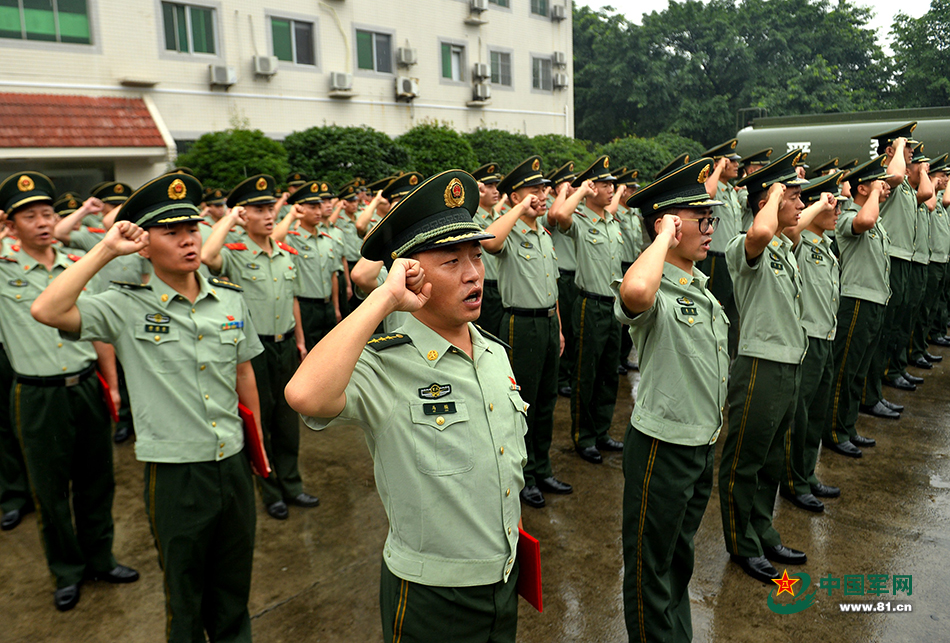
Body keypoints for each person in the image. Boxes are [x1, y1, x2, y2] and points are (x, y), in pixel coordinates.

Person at [286, 170, 527, 642]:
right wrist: (385, 298)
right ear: (410, 272)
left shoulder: (494, 352)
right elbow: (305, 395)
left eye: (476, 256)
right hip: (432, 593)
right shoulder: (388, 364)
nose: (473, 272)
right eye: (451, 260)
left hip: (502, 578)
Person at [32, 171, 263, 641]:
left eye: (191, 229)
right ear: (144, 245)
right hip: (177, 472)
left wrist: (259, 451)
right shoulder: (124, 306)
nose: (187, 241)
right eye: (170, 232)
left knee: (235, 588)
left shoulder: (230, 302)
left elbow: (244, 375)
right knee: (185, 592)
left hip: (232, 464)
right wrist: (105, 249)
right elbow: (47, 310)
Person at [0, 172, 138, 611]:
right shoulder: (2, 268)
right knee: (50, 491)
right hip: (37, 395)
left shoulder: (76, 264)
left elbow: (98, 331)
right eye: (30, 216)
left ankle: (100, 558)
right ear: (10, 223)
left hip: (86, 388)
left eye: (47, 213)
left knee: (98, 482)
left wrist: (112, 386)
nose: (42, 222)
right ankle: (66, 571)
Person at [615, 157, 729, 643]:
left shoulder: (698, 286)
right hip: (662, 447)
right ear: (672, 223)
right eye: (701, 221)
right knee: (649, 572)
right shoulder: (656, 287)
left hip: (698, 444)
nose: (710, 230)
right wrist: (661, 236)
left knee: (677, 560)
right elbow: (635, 290)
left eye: (711, 220)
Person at [202, 174, 319, 520]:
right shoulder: (236, 254)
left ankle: (292, 485)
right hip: (252, 353)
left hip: (285, 345)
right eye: (259, 210)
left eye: (271, 208)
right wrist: (228, 219)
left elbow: (293, 298)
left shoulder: (285, 253)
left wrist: (300, 340)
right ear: (243, 214)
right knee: (260, 421)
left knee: (286, 420)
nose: (269, 215)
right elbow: (208, 256)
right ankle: (270, 490)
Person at [718, 150, 810, 583]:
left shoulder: (784, 248)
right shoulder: (745, 245)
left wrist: (785, 200)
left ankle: (763, 530)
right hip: (758, 365)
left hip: (787, 363)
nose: (799, 204)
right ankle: (741, 543)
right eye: (792, 196)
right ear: (767, 202)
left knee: (772, 459)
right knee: (744, 459)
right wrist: (774, 193)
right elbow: (759, 230)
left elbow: (788, 225)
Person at [487, 156, 570, 509]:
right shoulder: (509, 231)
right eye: (533, 189)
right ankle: (523, 477)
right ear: (515, 194)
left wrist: (560, 329)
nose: (542, 195)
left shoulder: (543, 234)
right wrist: (518, 206)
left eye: (544, 189)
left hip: (548, 324)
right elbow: (490, 242)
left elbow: (552, 287)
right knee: (525, 405)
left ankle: (542, 467)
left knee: (547, 401)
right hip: (520, 325)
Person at [554, 155, 626, 464]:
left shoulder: (612, 221)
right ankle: (583, 436)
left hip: (614, 305)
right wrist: (580, 192)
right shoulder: (581, 221)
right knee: (587, 372)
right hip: (589, 304)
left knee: (609, 373)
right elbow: (558, 214)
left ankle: (601, 431)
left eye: (612, 183)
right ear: (592, 186)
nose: (612, 189)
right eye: (605, 184)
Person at [781, 172, 844, 511]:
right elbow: (790, 229)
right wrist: (818, 199)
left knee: (817, 413)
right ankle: (793, 481)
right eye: (830, 204)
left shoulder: (825, 245)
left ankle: (806, 473)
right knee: (800, 415)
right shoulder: (800, 241)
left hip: (826, 336)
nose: (836, 211)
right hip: (807, 338)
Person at [825, 157, 896, 458]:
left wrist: (878, 191)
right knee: (845, 370)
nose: (885, 186)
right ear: (862, 188)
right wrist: (873, 194)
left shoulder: (876, 219)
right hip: (855, 301)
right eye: (877, 181)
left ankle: (848, 426)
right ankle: (833, 431)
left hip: (874, 300)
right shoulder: (847, 217)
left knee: (859, 371)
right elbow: (864, 222)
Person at [697, 139, 743, 357]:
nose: (735, 164)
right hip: (716, 260)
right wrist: (716, 169)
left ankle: (728, 357)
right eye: (730, 160)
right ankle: (709, 354)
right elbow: (708, 193)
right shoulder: (713, 186)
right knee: (715, 309)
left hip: (733, 259)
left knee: (733, 314)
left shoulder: (733, 191)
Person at [545, 162, 579, 397]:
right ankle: (560, 378)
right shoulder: (552, 206)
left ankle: (568, 374)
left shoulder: (577, 207)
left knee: (574, 329)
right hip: (561, 276)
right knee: (563, 327)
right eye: (569, 183)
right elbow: (555, 216)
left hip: (576, 276)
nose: (573, 187)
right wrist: (563, 193)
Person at [472, 163, 506, 335]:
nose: (495, 191)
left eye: (496, 186)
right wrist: (471, 194)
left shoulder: (501, 218)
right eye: (489, 186)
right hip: (485, 287)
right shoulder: (471, 217)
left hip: (504, 287)